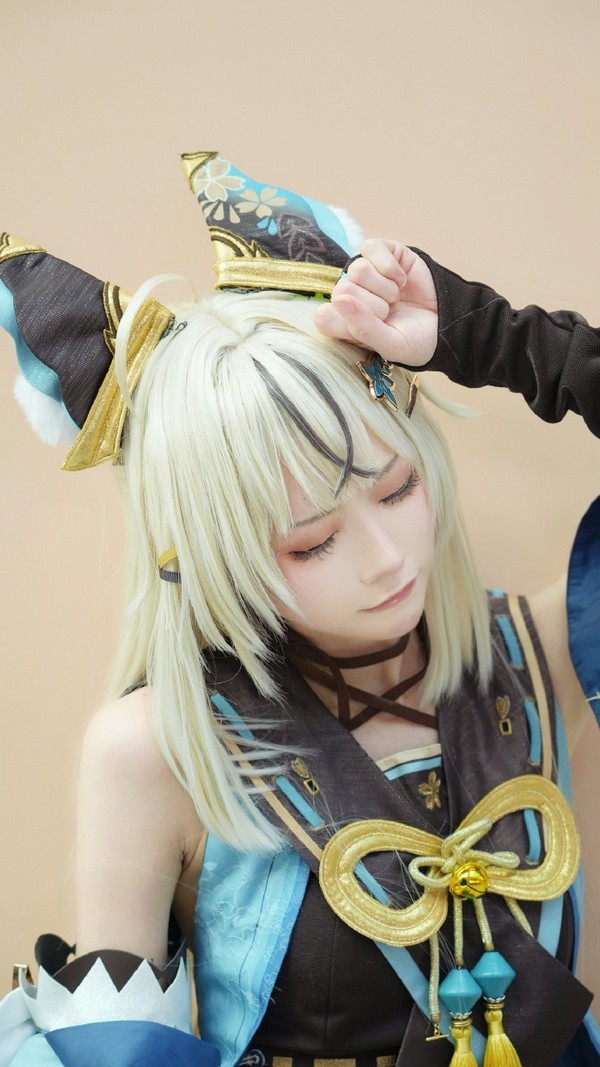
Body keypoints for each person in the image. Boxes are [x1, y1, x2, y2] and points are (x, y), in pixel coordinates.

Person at [0, 156, 597, 1067]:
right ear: (213, 561)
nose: (388, 556)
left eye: (397, 489)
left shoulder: (542, 651)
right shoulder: (157, 747)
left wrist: (490, 337)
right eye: (311, 543)